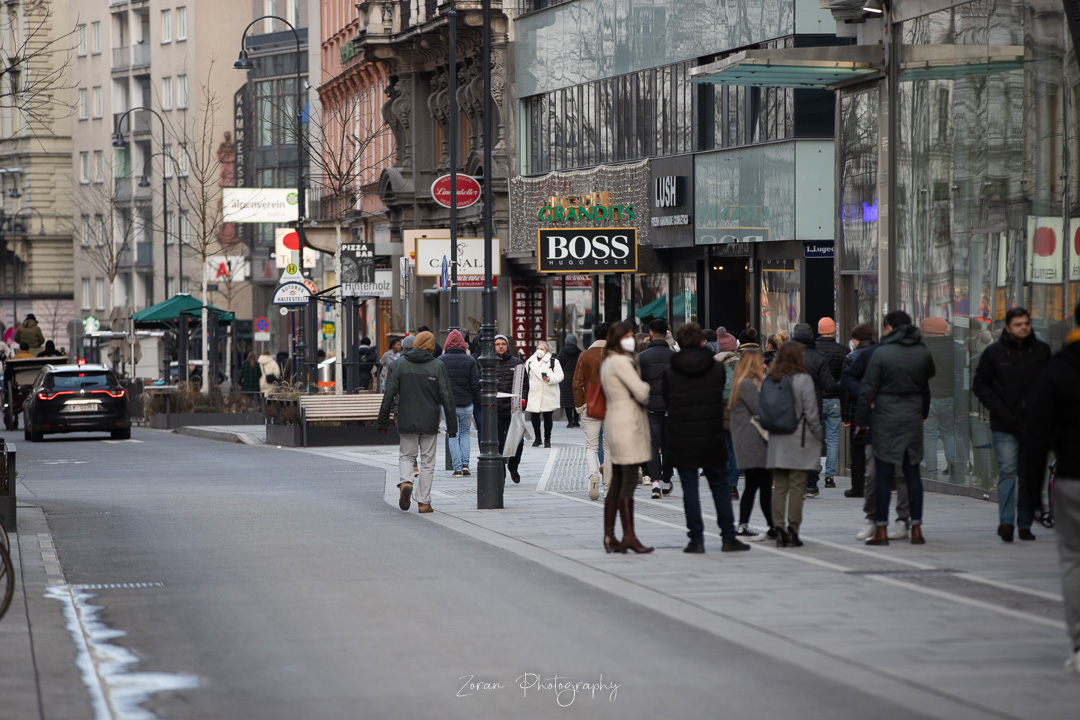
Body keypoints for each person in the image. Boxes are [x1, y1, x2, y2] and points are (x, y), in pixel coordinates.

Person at [661, 323, 752, 554]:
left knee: (690, 488)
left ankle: (696, 539)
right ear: (701, 341)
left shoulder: (671, 371)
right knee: (720, 488)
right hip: (712, 433)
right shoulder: (716, 369)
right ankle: (728, 537)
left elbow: (668, 401)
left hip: (682, 436)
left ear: (680, 343)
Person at [1024, 302, 1080, 676]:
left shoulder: (1059, 369)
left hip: (1075, 479)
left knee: (1074, 560)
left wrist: (1033, 497)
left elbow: (1037, 438)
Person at [855, 311, 935, 546]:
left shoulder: (882, 353)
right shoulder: (921, 351)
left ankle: (881, 529)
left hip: (885, 417)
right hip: (911, 415)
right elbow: (928, 376)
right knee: (912, 474)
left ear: (888, 328)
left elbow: (868, 389)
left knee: (883, 474)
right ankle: (916, 526)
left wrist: (861, 421)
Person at [973, 307, 1052, 543]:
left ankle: (1025, 524)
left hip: (1033, 424)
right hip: (1004, 423)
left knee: (1028, 475)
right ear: (1008, 327)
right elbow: (980, 384)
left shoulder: (1040, 351)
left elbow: (1051, 382)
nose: (1023, 327)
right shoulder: (994, 353)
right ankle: (1006, 522)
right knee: (1007, 472)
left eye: (1026, 323)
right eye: (1018, 324)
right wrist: (997, 408)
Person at [842, 323, 912, 541]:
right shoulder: (871, 354)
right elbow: (848, 379)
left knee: (901, 473)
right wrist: (866, 395)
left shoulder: (910, 356)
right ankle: (872, 519)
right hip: (876, 421)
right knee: (873, 473)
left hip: (902, 421)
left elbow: (923, 384)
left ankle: (902, 521)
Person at [378, 331, 456, 514]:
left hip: (405, 417)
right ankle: (424, 502)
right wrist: (452, 427)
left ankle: (406, 482)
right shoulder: (438, 365)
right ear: (431, 346)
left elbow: (389, 393)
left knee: (407, 455)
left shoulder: (401, 364)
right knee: (428, 461)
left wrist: (382, 422)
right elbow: (446, 396)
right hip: (429, 419)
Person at [599, 320, 653, 554]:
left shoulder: (608, 359)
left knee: (619, 481)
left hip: (615, 422)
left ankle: (610, 536)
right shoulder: (621, 361)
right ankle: (628, 535)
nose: (632, 339)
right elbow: (641, 392)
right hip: (627, 425)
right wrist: (646, 386)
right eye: (628, 335)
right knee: (629, 481)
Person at [765, 342, 823, 548]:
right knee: (798, 486)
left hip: (777, 439)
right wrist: (818, 435)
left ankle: (778, 529)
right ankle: (793, 530)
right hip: (800, 438)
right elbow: (811, 412)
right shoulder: (804, 379)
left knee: (779, 487)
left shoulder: (771, 378)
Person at [728, 347, 774, 541]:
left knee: (755, 485)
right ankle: (773, 526)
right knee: (761, 484)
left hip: (752, 441)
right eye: (762, 361)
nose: (765, 364)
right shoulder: (748, 384)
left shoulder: (747, 382)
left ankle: (747, 525)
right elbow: (759, 410)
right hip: (754, 441)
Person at [791, 323, 838, 498]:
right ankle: (811, 484)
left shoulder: (787, 355)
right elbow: (829, 385)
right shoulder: (818, 357)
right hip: (813, 406)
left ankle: (798, 483)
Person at [638, 319, 675, 499]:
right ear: (667, 334)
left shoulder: (643, 357)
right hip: (670, 407)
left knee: (652, 445)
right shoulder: (674, 356)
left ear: (650, 333)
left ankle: (654, 483)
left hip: (650, 407)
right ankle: (666, 482)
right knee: (668, 446)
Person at [573, 322, 610, 501]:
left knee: (591, 445)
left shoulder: (585, 355)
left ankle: (593, 475)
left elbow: (577, 384)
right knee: (609, 447)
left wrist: (580, 406)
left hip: (591, 403)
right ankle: (609, 486)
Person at [438, 329, 480, 478]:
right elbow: (475, 384)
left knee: (452, 435)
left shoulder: (441, 360)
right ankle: (465, 464)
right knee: (465, 433)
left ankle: (457, 469)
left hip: (449, 405)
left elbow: (439, 384)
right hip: (467, 403)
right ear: (463, 344)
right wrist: (475, 400)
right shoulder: (470, 360)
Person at [920, 317, 957, 480]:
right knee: (949, 432)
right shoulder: (955, 347)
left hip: (930, 397)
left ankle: (932, 472)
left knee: (929, 436)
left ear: (926, 331)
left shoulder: (921, 348)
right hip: (950, 396)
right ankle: (954, 465)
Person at [815, 317, 848, 489]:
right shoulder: (842, 351)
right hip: (835, 399)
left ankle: (813, 474)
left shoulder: (814, 350)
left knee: (815, 436)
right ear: (833, 330)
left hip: (816, 398)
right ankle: (829, 477)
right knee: (833, 437)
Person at [495, 335, 527, 483]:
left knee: (518, 441)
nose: (500, 347)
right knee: (499, 443)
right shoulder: (488, 364)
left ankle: (513, 467)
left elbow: (525, 385)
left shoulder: (517, 363)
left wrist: (523, 401)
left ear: (507, 346)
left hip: (514, 409)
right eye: (497, 344)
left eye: (503, 344)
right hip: (496, 410)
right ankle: (501, 473)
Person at [713, 326, 741, 500]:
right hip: (736, 409)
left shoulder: (713, 363)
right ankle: (733, 485)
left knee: (722, 449)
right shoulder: (740, 362)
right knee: (734, 448)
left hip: (718, 411)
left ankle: (723, 483)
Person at [524, 340, 564, 448]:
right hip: (534, 392)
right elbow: (526, 377)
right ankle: (538, 438)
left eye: (542, 349)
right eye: (538, 348)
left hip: (548, 392)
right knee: (534, 417)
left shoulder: (553, 361)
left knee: (547, 417)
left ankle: (547, 439)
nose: (539, 351)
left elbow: (560, 375)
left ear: (547, 350)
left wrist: (550, 378)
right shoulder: (530, 362)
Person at [557, 335, 582, 428]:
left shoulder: (562, 352)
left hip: (565, 379)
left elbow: (558, 364)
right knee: (576, 400)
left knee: (567, 402)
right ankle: (576, 421)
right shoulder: (579, 352)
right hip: (577, 377)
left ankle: (570, 421)